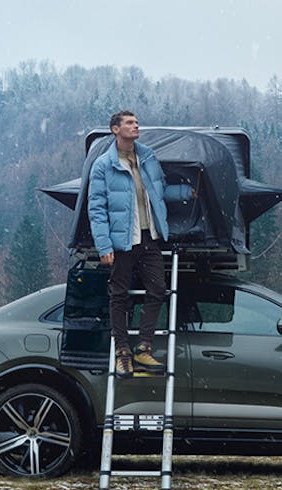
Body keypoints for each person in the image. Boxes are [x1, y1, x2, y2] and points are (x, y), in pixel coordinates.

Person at [87, 111, 169, 378]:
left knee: (158, 290)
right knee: (119, 295)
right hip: (122, 241)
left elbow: (159, 189)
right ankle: (122, 351)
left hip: (149, 236)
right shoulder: (103, 164)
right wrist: (104, 245)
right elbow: (96, 208)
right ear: (115, 129)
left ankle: (143, 346)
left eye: (136, 122)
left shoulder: (147, 156)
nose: (136, 126)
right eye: (129, 123)